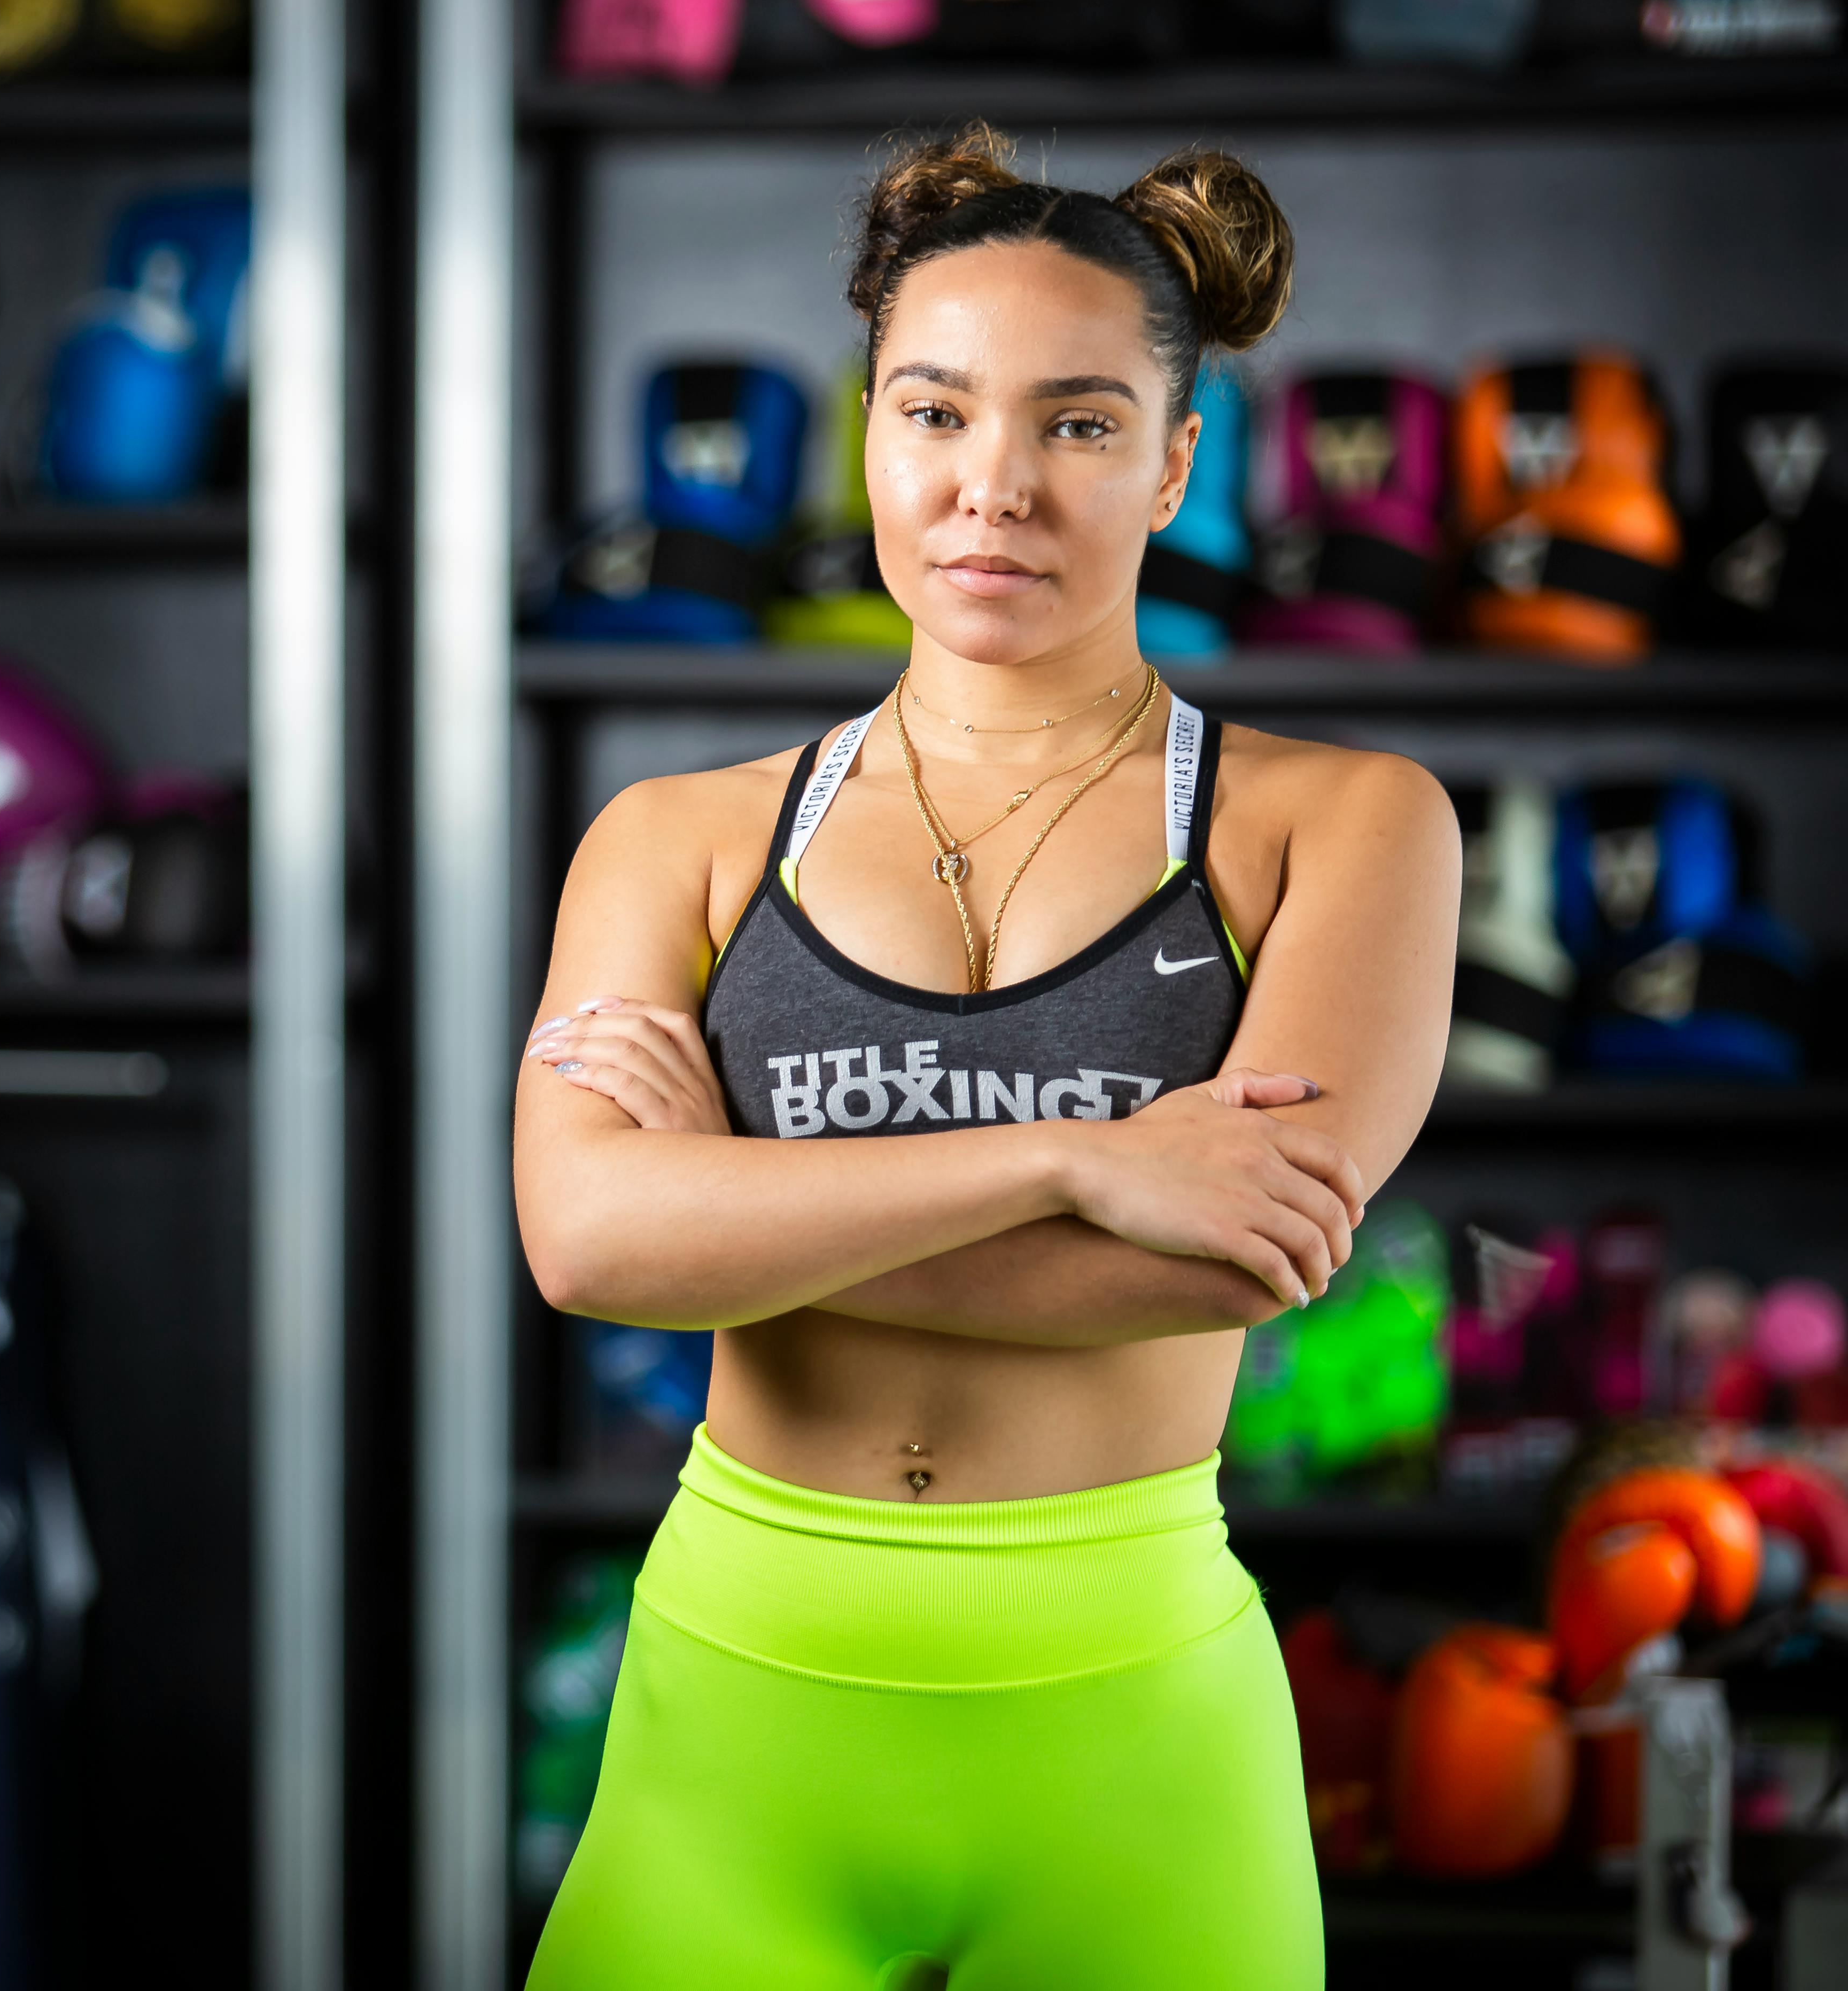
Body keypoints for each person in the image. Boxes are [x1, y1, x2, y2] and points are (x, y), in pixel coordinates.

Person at [513, 125, 1459, 1990]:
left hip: (1131, 1727)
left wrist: (738, 1201)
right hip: (742, 1715)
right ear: (872, 432)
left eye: (1081, 424)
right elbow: (588, 1251)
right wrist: (1074, 1157)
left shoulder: (1343, 827)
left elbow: (1222, 1259)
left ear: (1180, 463)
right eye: (936, 413)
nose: (993, 487)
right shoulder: (675, 837)